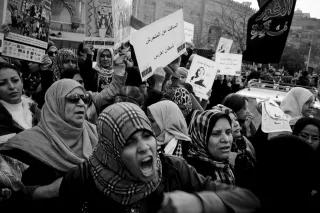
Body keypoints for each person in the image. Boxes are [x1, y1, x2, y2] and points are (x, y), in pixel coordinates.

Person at [59, 102, 260, 213]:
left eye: (147, 136)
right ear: (110, 150)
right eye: (129, 142)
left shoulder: (175, 170)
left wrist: (199, 203)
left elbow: (245, 200)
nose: (144, 147)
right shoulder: (81, 179)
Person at [0, 79, 98, 211]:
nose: (81, 104)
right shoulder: (24, 146)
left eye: (85, 98)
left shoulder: (96, 132)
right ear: (55, 103)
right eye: (73, 98)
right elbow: (10, 195)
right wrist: (49, 190)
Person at [186, 109, 235, 185]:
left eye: (228, 132)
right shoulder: (193, 176)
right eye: (216, 134)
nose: (226, 139)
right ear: (200, 137)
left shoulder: (227, 167)